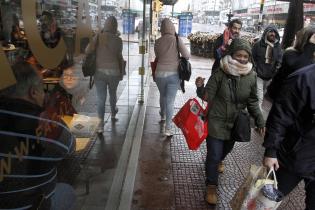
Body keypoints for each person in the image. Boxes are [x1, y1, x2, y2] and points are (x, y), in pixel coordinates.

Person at [195, 38, 265, 205]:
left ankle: (220, 160)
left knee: (225, 150)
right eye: (238, 55)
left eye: (245, 56)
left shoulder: (251, 76)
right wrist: (200, 87)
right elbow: (207, 96)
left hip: (235, 123)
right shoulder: (220, 72)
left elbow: (253, 101)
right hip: (216, 120)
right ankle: (211, 185)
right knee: (213, 153)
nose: (242, 58)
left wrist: (260, 120)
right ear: (231, 54)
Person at [0, 61, 76, 209]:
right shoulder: (45, 124)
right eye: (42, 89)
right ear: (33, 92)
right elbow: (70, 148)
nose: (44, 94)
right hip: (32, 204)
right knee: (67, 192)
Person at [263, 63, 315, 210]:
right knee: (265, 201)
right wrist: (271, 151)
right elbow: (279, 117)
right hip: (292, 157)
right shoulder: (303, 78)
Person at [85, 16, 124, 133]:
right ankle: (113, 113)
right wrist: (122, 73)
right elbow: (119, 57)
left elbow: (87, 51)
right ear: (115, 26)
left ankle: (101, 126)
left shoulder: (99, 37)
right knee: (113, 94)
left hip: (100, 72)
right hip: (114, 72)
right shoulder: (118, 40)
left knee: (101, 98)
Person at [154, 18, 190, 136]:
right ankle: (168, 129)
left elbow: (157, 56)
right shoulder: (176, 39)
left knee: (162, 95)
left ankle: (162, 115)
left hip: (159, 74)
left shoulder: (158, 41)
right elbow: (187, 55)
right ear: (172, 27)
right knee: (170, 101)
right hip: (173, 74)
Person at [267, 26, 315, 101]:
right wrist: (311, 46)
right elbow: (300, 69)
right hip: (283, 99)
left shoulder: (310, 58)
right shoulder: (291, 54)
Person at [252, 25, 282, 109]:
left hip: (270, 76)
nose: (273, 34)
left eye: (274, 32)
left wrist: (277, 69)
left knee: (264, 92)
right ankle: (258, 115)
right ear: (266, 33)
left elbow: (280, 59)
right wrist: (255, 69)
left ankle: (253, 108)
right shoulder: (258, 44)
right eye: (270, 32)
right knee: (259, 96)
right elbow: (252, 57)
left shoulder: (278, 46)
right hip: (259, 75)